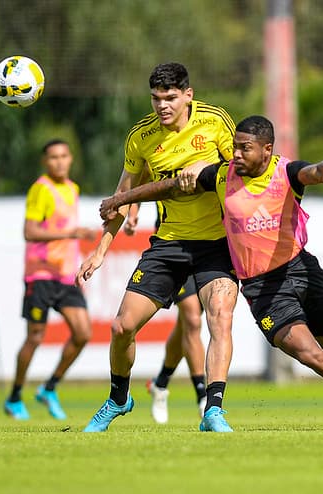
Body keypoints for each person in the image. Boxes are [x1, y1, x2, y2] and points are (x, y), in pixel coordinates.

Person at [99, 115, 323, 431]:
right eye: (234, 147)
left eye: (244, 148)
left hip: (302, 270)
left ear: (266, 150)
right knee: (310, 354)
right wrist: (122, 198)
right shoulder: (221, 175)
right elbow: (170, 188)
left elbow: (315, 171)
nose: (235, 154)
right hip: (263, 289)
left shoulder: (286, 172)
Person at [77, 62, 239, 432]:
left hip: (217, 242)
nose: (162, 106)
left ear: (188, 95)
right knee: (121, 327)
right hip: (168, 244)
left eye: (170, 98)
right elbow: (122, 196)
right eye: (155, 99)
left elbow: (243, 170)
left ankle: (213, 410)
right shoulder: (141, 136)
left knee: (219, 319)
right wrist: (100, 251)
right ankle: (119, 399)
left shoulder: (216, 122)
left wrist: (207, 165)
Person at [4, 139, 96, 421]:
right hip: (41, 274)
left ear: (71, 159)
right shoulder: (40, 189)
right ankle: (15, 396)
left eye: (64, 156)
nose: (59, 161)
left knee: (83, 333)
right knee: (35, 337)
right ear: (46, 162)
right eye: (53, 157)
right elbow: (29, 232)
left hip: (66, 275)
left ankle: (49, 387)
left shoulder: (72, 189)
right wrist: (71, 234)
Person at [123, 202, 207, 423]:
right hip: (174, 246)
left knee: (187, 326)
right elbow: (139, 176)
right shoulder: (163, 166)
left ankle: (160, 383)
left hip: (209, 245)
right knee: (192, 318)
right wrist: (132, 213)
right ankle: (203, 397)